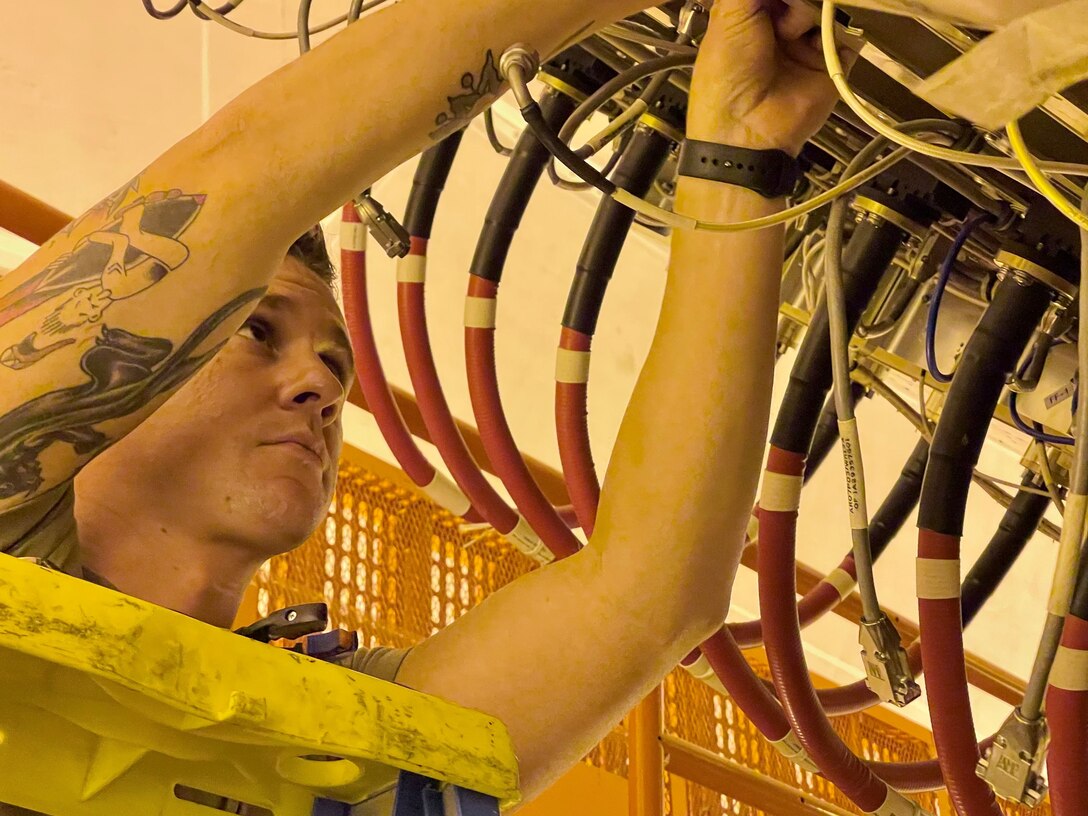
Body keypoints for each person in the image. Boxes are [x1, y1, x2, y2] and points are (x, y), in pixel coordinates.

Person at [0, 0, 846, 806]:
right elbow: (234, 186)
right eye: (260, 331)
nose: (326, 387)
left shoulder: (323, 733)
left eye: (336, 361)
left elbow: (645, 594)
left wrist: (741, 153)